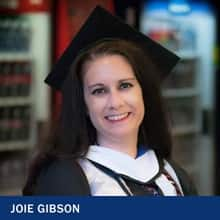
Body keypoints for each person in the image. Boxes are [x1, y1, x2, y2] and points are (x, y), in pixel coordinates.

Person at [23, 6, 197, 196]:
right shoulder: (64, 178)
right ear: (84, 105)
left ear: (144, 93)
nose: (115, 102)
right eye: (99, 91)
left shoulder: (173, 175)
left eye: (125, 86)